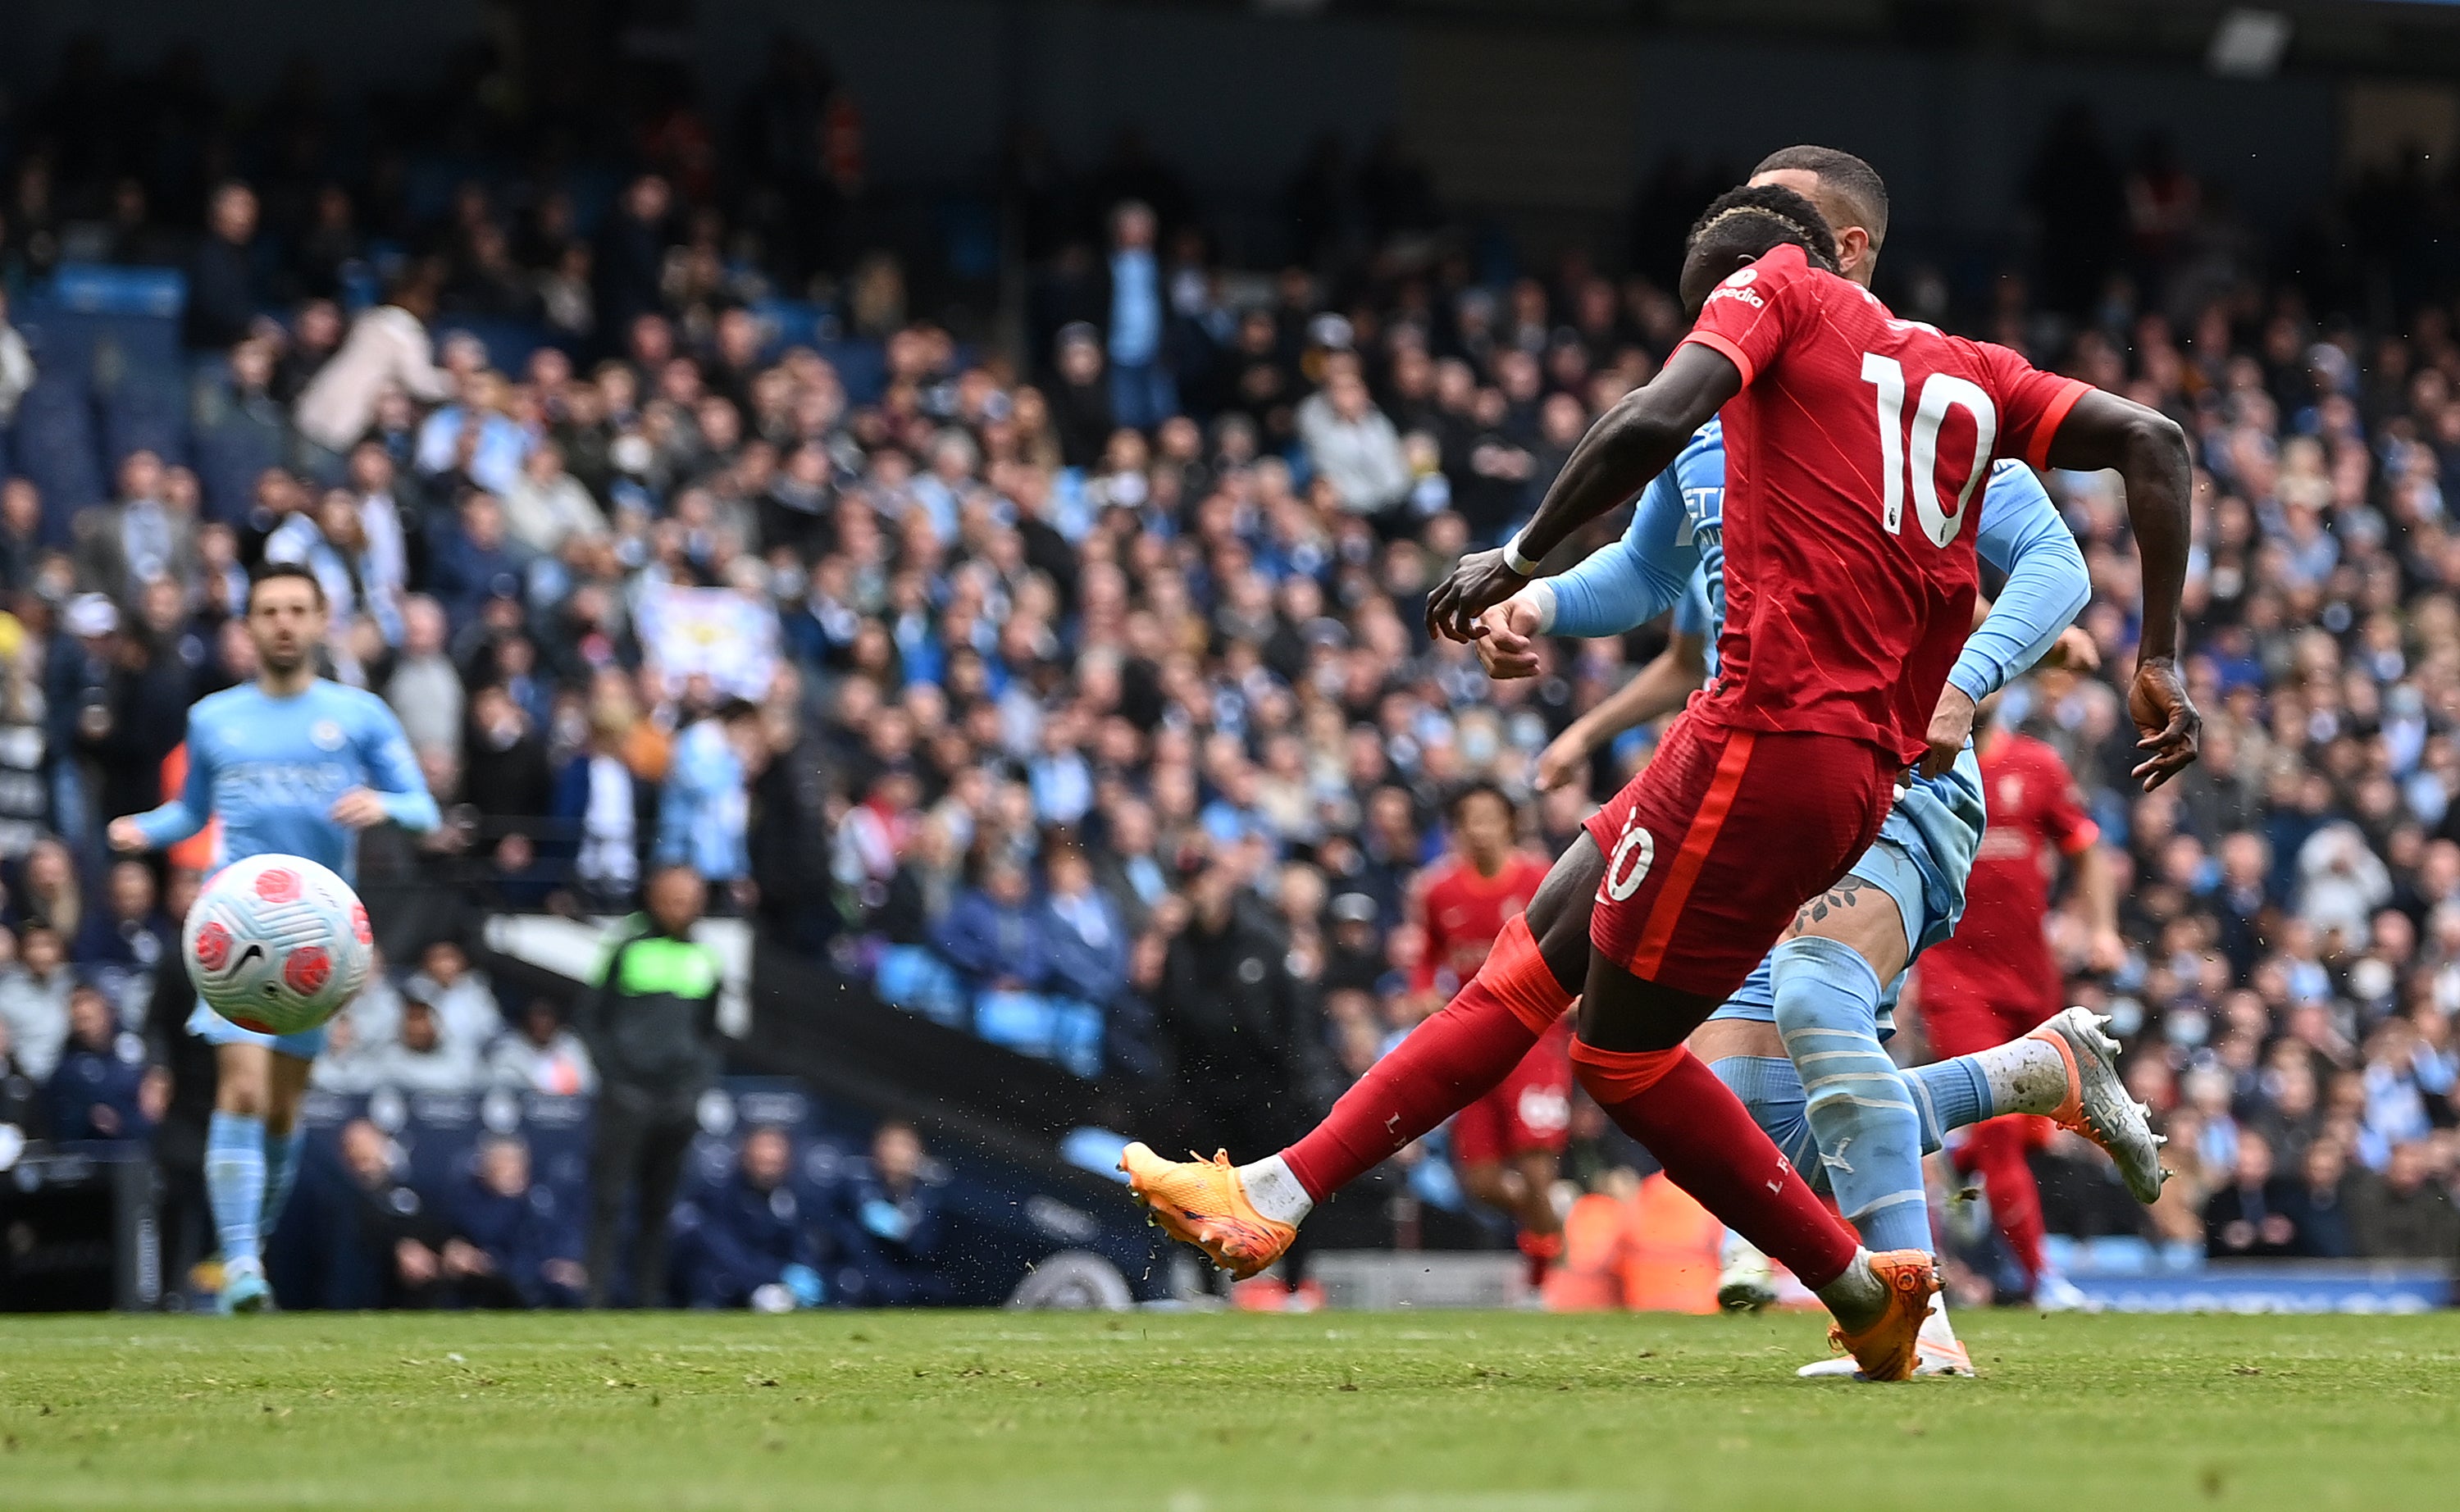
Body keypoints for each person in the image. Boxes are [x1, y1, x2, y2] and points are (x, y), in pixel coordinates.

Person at [1125, 166, 2198, 1380]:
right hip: (1748, 735)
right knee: (1536, 971)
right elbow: (2150, 441)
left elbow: (2050, 559)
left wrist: (1512, 548)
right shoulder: (1938, 379)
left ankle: (1883, 1300)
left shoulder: (1797, 313)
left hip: (1828, 751)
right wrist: (2161, 658)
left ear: (1806, 255)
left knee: (1680, 1047)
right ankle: (1279, 1188)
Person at [106, 562, 443, 1313]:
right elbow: (189, 816)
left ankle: (242, 1251)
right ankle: (242, 1266)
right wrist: (140, 828)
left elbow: (425, 808)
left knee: (285, 1112)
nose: (284, 622)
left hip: (320, 949)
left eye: (297, 609)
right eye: (269, 610)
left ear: (322, 620)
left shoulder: (357, 715)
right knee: (244, 1089)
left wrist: (384, 805)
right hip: (236, 932)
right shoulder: (216, 718)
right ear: (248, 625)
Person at [1914, 695, 2129, 1307]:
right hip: (1954, 981)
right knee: (2003, 1129)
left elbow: (2085, 849)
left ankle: (1959, 1152)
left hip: (2032, 986)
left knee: (2035, 1134)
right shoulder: (1922, 766)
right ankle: (2042, 1278)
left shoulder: (2038, 766)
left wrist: (2102, 928)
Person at [1410, 782, 1563, 1287]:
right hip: (1473, 1038)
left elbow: (1573, 938)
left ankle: (1541, 1280)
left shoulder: (1539, 879)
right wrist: (1423, 990)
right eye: (1469, 819)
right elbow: (1428, 955)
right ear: (1455, 830)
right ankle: (1553, 1216)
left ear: (1509, 824)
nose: (1480, 829)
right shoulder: (1438, 891)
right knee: (1478, 1182)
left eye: (1490, 818)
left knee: (1536, 1164)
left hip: (1537, 1036)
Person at [576, 863, 725, 1307]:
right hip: (627, 1096)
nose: (683, 908)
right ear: (655, 898)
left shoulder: (706, 958)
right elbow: (590, 1018)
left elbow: (710, 1033)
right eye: (674, 898)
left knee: (659, 1206)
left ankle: (648, 1299)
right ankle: (595, 1300)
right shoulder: (625, 947)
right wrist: (616, 1078)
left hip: (677, 1100)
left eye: (691, 900)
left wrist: (696, 1087)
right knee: (609, 1201)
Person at [668, 1124, 827, 1311]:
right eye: (763, 1153)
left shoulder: (794, 1196)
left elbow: (802, 1244)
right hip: (731, 1285)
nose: (769, 1159)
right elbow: (725, 1252)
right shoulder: (720, 1195)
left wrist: (804, 1272)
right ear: (746, 1155)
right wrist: (773, 1276)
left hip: (778, 1285)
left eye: (775, 1154)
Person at [452, 1135, 588, 1308]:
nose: (511, 1170)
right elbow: (487, 1236)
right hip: (495, 1275)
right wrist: (509, 1198)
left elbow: (560, 1234)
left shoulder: (541, 1199)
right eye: (503, 1163)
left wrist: (567, 1260)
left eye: (516, 1163)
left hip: (542, 1273)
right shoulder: (470, 1200)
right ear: (487, 1168)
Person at [832, 1119, 950, 1306]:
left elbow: (925, 1247)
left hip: (907, 1279)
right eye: (889, 1146)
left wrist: (903, 1230)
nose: (896, 1154)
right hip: (864, 1279)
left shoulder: (927, 1193)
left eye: (904, 1147)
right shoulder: (856, 1183)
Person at [45, 983, 161, 1142]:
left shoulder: (135, 1044)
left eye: (89, 1018)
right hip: (97, 1152)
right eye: (80, 1020)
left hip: (150, 1144)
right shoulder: (68, 1067)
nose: (85, 1025)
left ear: (107, 1010)